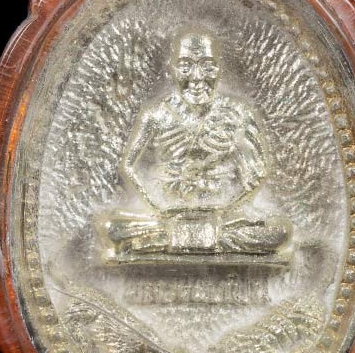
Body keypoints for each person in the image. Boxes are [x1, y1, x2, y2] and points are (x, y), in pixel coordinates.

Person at [103, 30, 288, 258]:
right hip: (167, 218)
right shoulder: (156, 114)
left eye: (207, 67)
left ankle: (170, 241)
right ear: (172, 70)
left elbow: (257, 174)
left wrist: (222, 212)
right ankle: (185, 237)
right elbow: (129, 165)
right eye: (185, 67)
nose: (197, 78)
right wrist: (159, 209)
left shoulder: (237, 113)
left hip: (223, 219)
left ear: (219, 70)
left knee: (279, 232)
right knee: (112, 230)